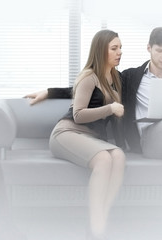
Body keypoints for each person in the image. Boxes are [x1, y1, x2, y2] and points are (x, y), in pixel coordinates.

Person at [26, 27, 162, 239]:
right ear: (149, 48)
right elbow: (92, 85)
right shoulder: (130, 77)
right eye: (159, 51)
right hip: (149, 141)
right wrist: (49, 92)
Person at [48, 29, 125, 240]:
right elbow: (79, 115)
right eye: (114, 48)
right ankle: (96, 227)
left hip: (89, 138)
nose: (119, 52)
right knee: (103, 159)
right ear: (101, 51)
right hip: (66, 133)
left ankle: (102, 217)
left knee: (118, 156)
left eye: (120, 48)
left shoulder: (115, 78)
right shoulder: (89, 77)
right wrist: (110, 109)